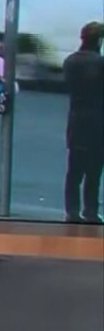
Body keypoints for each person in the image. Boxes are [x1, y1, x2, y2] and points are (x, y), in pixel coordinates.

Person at [62, 21, 104, 224]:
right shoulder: (100, 63)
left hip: (76, 119)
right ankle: (91, 210)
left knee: (74, 170)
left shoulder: (70, 61)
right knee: (94, 172)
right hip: (98, 120)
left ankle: (71, 211)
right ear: (99, 40)